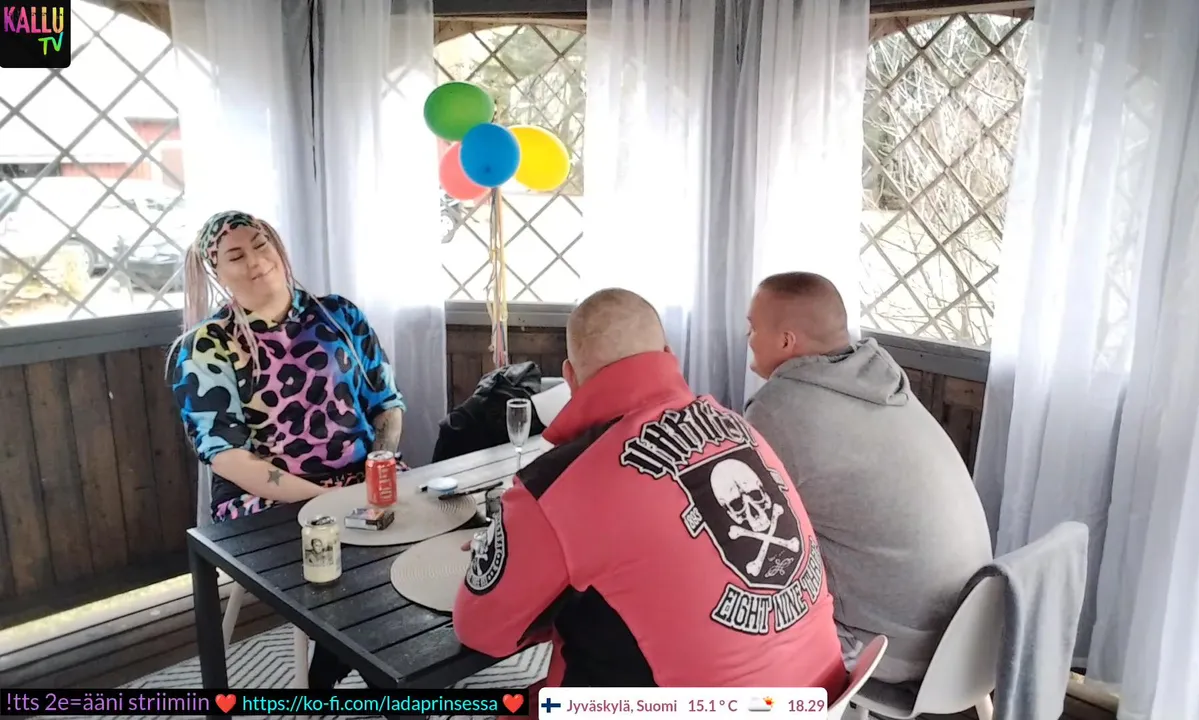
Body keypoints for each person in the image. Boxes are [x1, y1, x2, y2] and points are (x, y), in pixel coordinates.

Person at [453, 288, 847, 696]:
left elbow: (481, 628)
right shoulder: (740, 427)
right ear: (668, 353)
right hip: (823, 696)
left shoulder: (557, 483)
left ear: (570, 377)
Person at [169, 210, 406, 689]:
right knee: (356, 571)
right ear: (218, 273)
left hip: (361, 480)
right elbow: (227, 456)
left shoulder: (339, 315)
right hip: (268, 501)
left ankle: (337, 663)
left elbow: (386, 403)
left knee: (420, 554)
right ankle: (373, 672)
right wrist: (321, 498)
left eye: (262, 245)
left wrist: (378, 463)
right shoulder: (206, 345)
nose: (256, 261)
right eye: (236, 256)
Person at [743, 271, 992, 684]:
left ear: (786, 341)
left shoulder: (779, 408)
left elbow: (750, 531)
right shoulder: (882, 380)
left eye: (752, 328)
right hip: (974, 632)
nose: (748, 338)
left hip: (894, 647)